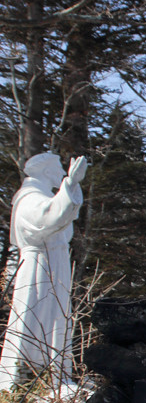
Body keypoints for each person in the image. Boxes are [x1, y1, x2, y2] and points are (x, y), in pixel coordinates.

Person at [0, 152, 87, 388]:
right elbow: (49, 217)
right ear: (46, 171)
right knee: (37, 314)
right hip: (40, 266)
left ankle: (53, 374)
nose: (60, 174)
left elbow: (60, 214)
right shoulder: (29, 198)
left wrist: (70, 186)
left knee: (54, 316)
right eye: (57, 170)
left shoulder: (40, 195)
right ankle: (28, 374)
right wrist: (70, 184)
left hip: (52, 263)